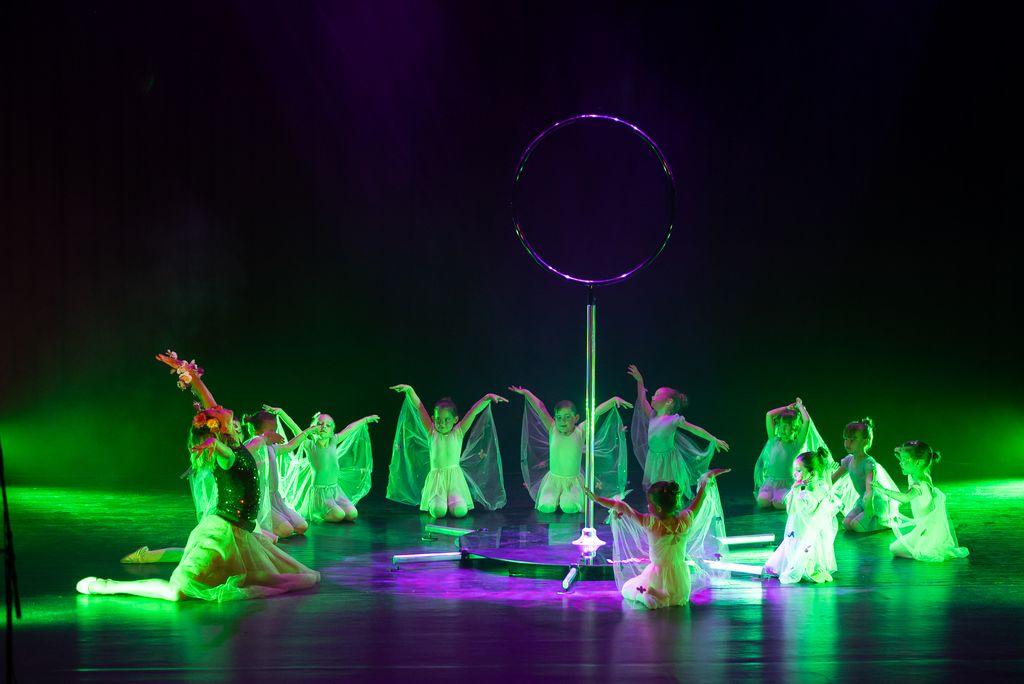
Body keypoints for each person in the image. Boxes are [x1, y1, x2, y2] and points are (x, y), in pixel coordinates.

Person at [584, 469, 730, 609]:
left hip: (657, 575)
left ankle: (646, 596)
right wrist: (706, 479)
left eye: (650, 504)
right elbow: (700, 498)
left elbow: (623, 507)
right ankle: (658, 596)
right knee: (674, 596)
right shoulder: (685, 520)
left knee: (628, 589)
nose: (648, 506)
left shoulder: (652, 523)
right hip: (680, 580)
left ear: (658, 508)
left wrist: (596, 498)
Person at [387, 384, 507, 518]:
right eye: (438, 420)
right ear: (433, 419)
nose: (442, 423)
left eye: (446, 420)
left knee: (460, 511)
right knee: (439, 511)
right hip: (437, 482)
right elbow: (420, 407)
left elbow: (473, 412)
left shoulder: (458, 432)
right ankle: (437, 501)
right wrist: (410, 390)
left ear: (455, 420)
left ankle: (452, 501)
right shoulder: (431, 432)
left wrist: (486, 398)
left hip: (454, 480)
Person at [510, 385, 630, 513]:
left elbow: (595, 413)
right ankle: (555, 498)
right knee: (546, 507)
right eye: (559, 417)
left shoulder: (580, 431)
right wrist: (527, 393)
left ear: (576, 418)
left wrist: (613, 400)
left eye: (567, 417)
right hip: (553, 480)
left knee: (570, 507)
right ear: (555, 418)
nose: (563, 421)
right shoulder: (553, 429)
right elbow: (541, 408)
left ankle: (567, 498)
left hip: (573, 481)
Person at [875, 440, 969, 562]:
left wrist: (883, 490)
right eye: (900, 459)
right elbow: (910, 460)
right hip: (924, 526)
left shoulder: (919, 484)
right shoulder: (920, 472)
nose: (900, 462)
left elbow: (905, 498)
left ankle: (925, 545)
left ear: (918, 462)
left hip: (929, 530)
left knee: (896, 549)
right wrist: (902, 453)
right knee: (895, 547)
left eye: (904, 460)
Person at [763, 448, 840, 583]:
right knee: (773, 567)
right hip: (797, 531)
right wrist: (796, 488)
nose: (795, 473)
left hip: (805, 535)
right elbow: (790, 508)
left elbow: (792, 510)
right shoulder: (812, 490)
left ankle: (806, 566)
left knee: (802, 562)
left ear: (812, 473)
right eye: (794, 470)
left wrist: (796, 488)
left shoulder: (810, 494)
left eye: (799, 470)